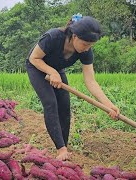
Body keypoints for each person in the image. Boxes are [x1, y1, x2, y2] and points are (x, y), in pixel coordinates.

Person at [25, 14, 120, 161]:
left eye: (90, 45)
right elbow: (34, 58)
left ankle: (64, 148)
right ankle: (61, 149)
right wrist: (51, 71)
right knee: (51, 103)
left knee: (65, 105)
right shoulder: (53, 37)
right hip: (37, 66)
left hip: (56, 69)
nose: (87, 48)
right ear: (74, 36)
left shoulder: (86, 51)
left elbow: (91, 81)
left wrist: (109, 105)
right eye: (85, 44)